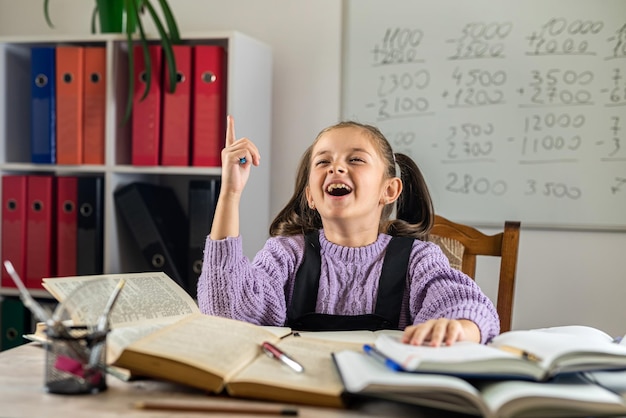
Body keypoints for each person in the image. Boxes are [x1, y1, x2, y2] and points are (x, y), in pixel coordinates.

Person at [197, 116, 500, 346]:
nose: (336, 168)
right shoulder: (287, 254)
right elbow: (226, 314)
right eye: (323, 161)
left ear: (389, 190)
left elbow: (469, 307)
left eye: (355, 159)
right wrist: (230, 194)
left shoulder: (418, 260)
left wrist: (459, 327)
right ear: (311, 197)